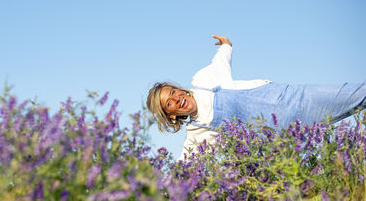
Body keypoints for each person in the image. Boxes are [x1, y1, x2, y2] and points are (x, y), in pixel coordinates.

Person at [147, 35, 366, 161]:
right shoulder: (197, 134)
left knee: (355, 95)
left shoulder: (203, 80)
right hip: (285, 144)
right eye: (169, 103)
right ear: (172, 115)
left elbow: (220, 62)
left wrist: (226, 45)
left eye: (173, 92)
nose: (176, 99)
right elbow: (182, 169)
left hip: (291, 99)